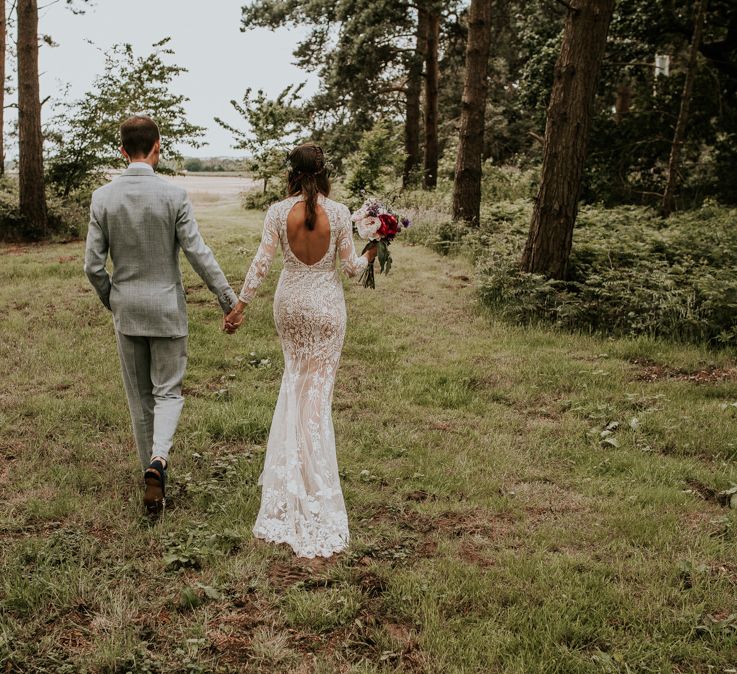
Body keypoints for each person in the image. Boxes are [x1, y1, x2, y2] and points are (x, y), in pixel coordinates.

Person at [224, 143, 377, 558]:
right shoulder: (342, 213)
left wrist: (239, 307)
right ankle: (312, 481)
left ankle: (289, 480)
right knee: (316, 397)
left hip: (289, 305)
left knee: (295, 385)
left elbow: (261, 263)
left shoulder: (276, 212)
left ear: (291, 172)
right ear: (324, 172)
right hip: (327, 309)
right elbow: (350, 269)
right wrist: (373, 249)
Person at [84, 114, 238, 514]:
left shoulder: (103, 198)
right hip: (167, 310)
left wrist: (114, 299)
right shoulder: (174, 196)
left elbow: (92, 267)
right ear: (157, 148)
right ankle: (160, 461)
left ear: (122, 151)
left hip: (128, 311)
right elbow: (198, 253)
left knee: (140, 400)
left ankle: (150, 478)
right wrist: (228, 299)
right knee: (168, 391)